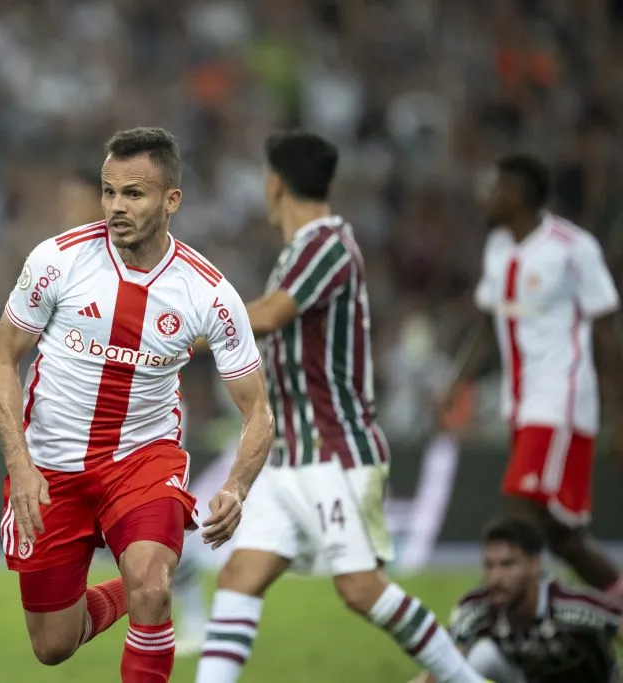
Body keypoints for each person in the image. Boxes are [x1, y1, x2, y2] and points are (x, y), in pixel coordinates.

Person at [195, 131, 490, 683]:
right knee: (238, 575)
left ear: (275, 182)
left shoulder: (325, 244)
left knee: (360, 588)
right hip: (289, 459)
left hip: (336, 453)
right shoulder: (300, 251)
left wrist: (195, 326)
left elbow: (274, 313)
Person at [0, 126, 273, 682]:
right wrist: (20, 465)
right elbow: (1, 359)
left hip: (141, 460)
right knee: (53, 644)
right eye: (109, 191)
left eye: (133, 194)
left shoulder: (209, 293)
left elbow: (257, 409)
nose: (116, 207)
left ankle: (156, 586)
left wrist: (236, 486)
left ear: (172, 201)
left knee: (151, 587)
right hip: (50, 468)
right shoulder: (56, 261)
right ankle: (151, 585)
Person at [443, 154, 623, 606]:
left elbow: (605, 336)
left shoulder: (572, 248)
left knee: (515, 516)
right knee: (561, 536)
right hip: (519, 404)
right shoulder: (498, 248)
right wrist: (457, 382)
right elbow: (488, 325)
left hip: (561, 401)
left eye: (497, 187)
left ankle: (498, 624)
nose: (488, 195)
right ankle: (614, 601)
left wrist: (618, 417)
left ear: (520, 194)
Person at [56, 163, 211, 656]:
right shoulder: (62, 259)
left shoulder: (140, 255)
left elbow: (196, 318)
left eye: (73, 201)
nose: (65, 212)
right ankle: (157, 583)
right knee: (118, 550)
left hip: (143, 423)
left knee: (140, 537)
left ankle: (188, 605)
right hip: (80, 427)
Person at [414, 516, 620, 683]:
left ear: (534, 564)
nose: (495, 577)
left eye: (508, 564)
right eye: (489, 565)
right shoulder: (478, 607)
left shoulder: (573, 606)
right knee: (481, 656)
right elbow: (443, 666)